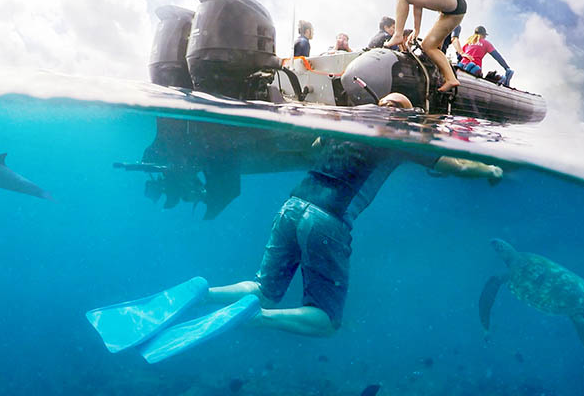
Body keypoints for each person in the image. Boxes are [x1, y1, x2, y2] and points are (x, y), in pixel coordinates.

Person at [86, 93, 503, 362]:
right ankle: (254, 319)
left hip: (291, 205)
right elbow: (458, 164)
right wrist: (491, 169)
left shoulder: (347, 122)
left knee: (261, 284)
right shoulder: (401, 135)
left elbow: (315, 144)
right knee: (325, 321)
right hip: (329, 219)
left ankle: (202, 291)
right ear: (402, 113)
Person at [384, 0, 466, 92]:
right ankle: (451, 78)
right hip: (457, 10)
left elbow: (417, 6)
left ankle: (397, 35)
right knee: (428, 46)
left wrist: (416, 31)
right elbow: (419, 3)